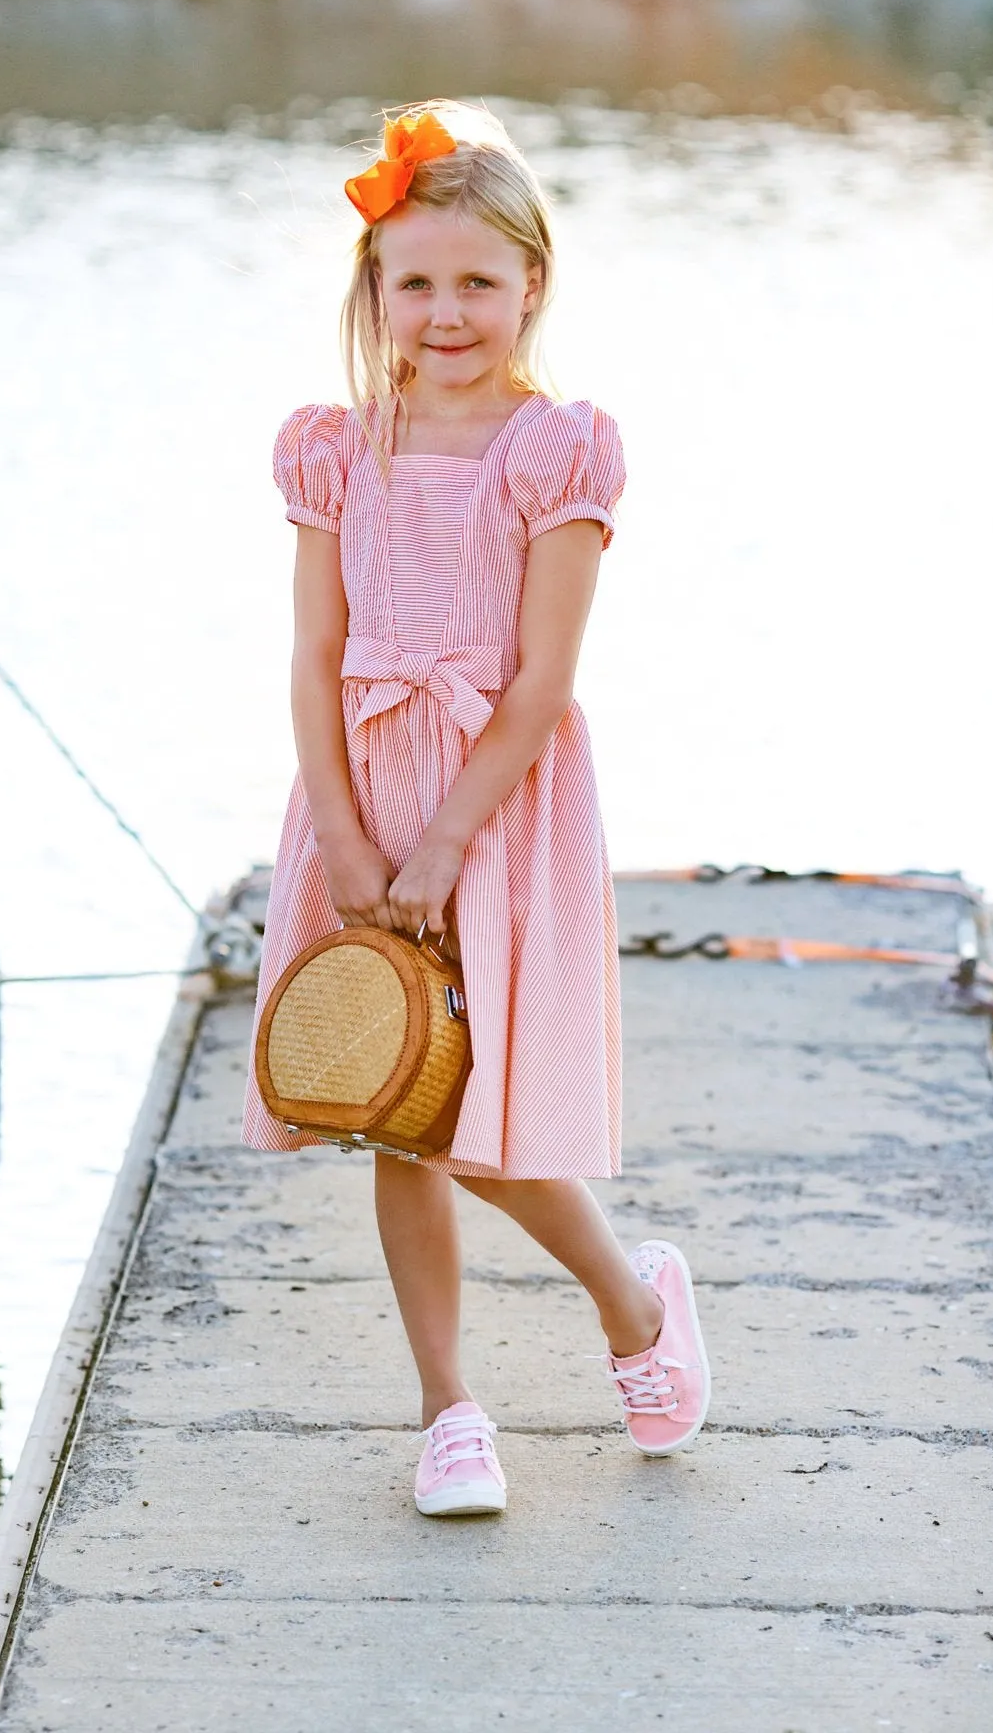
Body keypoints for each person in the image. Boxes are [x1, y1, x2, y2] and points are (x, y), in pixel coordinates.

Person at [243, 100, 710, 1516]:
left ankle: (632, 1302)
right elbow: (315, 657)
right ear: (374, 293)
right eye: (416, 282)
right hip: (363, 794)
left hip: (496, 809)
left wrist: (448, 839)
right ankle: (448, 1409)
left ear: (532, 287)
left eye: (477, 283)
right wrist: (342, 827)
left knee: (484, 1118)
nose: (447, 313)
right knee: (394, 1104)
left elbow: (543, 680)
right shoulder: (338, 448)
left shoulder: (555, 451)